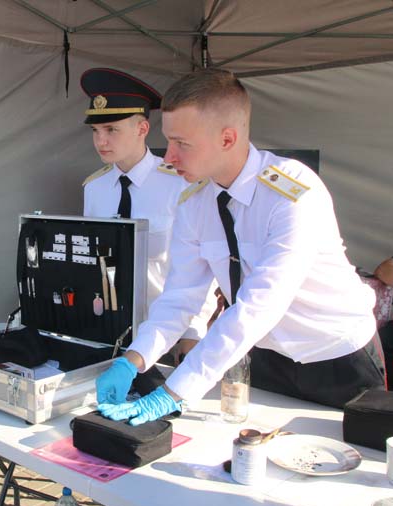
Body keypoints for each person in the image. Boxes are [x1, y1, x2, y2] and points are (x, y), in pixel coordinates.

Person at [96, 68, 385, 425]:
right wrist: (134, 358)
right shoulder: (193, 202)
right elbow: (181, 296)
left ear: (228, 139)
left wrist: (174, 393)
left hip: (337, 357)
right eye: (169, 140)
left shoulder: (292, 194)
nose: (168, 157)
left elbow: (259, 305)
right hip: (262, 355)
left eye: (182, 144)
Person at [80, 67, 215, 365]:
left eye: (112, 130)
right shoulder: (95, 188)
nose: (101, 141)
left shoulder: (181, 184)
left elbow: (203, 265)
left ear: (142, 129)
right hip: (109, 330)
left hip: (168, 335)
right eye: (96, 131)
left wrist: (193, 331)